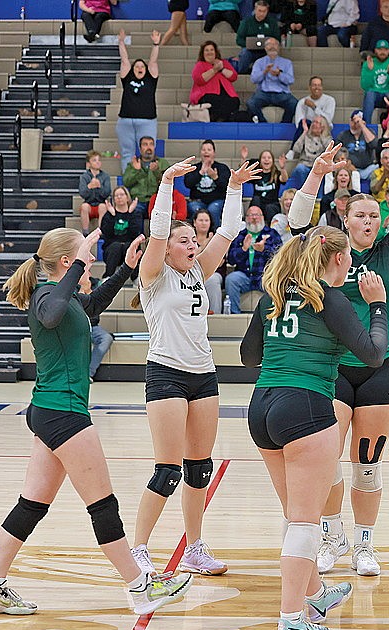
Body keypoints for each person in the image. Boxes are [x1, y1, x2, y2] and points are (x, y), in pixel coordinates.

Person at [0, 227, 191, 616]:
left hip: (51, 411)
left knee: (32, 504)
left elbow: (88, 307)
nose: (91, 260)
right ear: (66, 262)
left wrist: (126, 270)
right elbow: (55, 311)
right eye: (86, 255)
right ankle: (140, 587)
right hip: (64, 413)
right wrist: (79, 261)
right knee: (103, 505)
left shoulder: (67, 297)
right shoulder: (47, 296)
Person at [241, 163, 388, 630]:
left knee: (294, 514)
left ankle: (317, 594)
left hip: (262, 405)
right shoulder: (333, 298)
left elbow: (249, 356)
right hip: (306, 407)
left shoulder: (276, 294)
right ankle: (291, 623)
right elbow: (372, 355)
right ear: (340, 260)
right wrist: (380, 305)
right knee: (304, 523)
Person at [130, 158, 260, 577]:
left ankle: (194, 548)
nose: (191, 246)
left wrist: (235, 187)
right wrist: (167, 182)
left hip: (203, 376)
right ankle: (139, 550)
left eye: (192, 241)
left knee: (198, 469)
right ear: (167, 247)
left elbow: (227, 232)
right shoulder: (154, 275)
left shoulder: (198, 273)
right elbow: (159, 229)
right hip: (166, 373)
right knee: (166, 470)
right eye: (183, 240)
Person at [310, 125, 389, 578]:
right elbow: (300, 222)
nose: (369, 222)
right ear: (345, 218)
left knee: (367, 462)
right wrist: (317, 174)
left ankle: (363, 545)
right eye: (361, 216)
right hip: (335, 364)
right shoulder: (328, 250)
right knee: (325, 457)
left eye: (375, 217)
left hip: (382, 364)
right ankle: (330, 534)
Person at [227, 205, 282, 314]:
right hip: (245, 276)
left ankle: (273, 315)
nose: (254, 218)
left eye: (257, 215)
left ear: (262, 217)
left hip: (264, 276)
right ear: (246, 218)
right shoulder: (240, 235)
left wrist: (264, 249)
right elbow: (231, 259)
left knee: (275, 282)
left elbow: (280, 257)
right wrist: (243, 249)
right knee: (231, 279)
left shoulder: (272, 234)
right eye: (251, 215)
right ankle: (234, 314)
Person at [116, 29, 160, 167]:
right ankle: (127, 181)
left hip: (147, 121)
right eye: (137, 66)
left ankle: (147, 183)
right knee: (127, 152)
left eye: (142, 66)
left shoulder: (150, 79)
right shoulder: (127, 78)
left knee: (148, 153)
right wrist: (121, 42)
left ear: (146, 69)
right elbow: (124, 61)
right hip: (126, 121)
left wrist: (156, 44)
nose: (139, 68)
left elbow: (153, 62)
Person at [246, 38, 297, 124]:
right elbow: (253, 79)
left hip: (281, 93)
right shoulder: (259, 62)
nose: (272, 47)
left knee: (294, 103)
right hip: (263, 93)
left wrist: (279, 74)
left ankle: (284, 124)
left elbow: (291, 80)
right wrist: (264, 72)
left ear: (279, 47)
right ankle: (263, 124)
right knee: (251, 103)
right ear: (265, 48)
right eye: (269, 44)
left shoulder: (287, 63)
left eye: (275, 44)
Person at [190, 41, 239, 122]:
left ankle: (221, 119)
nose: (210, 52)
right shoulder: (200, 64)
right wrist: (214, 70)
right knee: (213, 100)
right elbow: (199, 79)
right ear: (203, 53)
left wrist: (222, 69)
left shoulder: (224, 63)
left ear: (216, 52)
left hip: (226, 94)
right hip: (206, 95)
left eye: (212, 50)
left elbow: (233, 77)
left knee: (234, 101)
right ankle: (219, 119)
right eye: (207, 50)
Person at [185, 140, 232, 226]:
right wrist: (200, 173)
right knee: (194, 208)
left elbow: (228, 187)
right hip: (197, 201)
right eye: (203, 149)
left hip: (217, 201)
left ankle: (214, 235)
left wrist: (215, 177)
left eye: (209, 149)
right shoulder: (194, 168)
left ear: (214, 153)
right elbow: (187, 184)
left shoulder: (222, 168)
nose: (206, 151)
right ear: (200, 153)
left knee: (213, 209)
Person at [101, 186, 145, 277]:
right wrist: (113, 216)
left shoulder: (135, 214)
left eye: (121, 195)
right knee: (115, 246)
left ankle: (136, 278)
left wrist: (129, 214)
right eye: (116, 196)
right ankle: (108, 277)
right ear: (113, 199)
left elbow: (135, 233)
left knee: (130, 246)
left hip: (129, 247)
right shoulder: (108, 215)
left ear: (127, 197)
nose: (119, 197)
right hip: (112, 250)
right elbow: (106, 234)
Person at [123, 136, 170, 220]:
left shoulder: (163, 163)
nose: (148, 147)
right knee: (135, 211)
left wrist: (156, 171)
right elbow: (126, 182)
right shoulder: (133, 164)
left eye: (151, 144)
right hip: (138, 200)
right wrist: (137, 171)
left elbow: (167, 183)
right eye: (145, 144)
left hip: (157, 200)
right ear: (140, 149)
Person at [361, 41, 389, 126]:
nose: (382, 52)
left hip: (387, 94)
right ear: (375, 50)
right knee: (369, 94)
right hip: (373, 95)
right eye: (380, 49)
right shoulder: (368, 63)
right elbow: (365, 86)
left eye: (385, 49)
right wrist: (370, 70)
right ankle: (366, 126)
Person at [233, 0, 280, 74]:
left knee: (273, 52)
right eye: (259, 11)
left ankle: (270, 71)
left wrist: (271, 44)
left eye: (264, 11)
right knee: (245, 53)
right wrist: (248, 45)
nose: (262, 13)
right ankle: (243, 71)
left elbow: (277, 39)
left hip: (266, 51)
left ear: (267, 11)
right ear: (255, 10)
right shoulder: (246, 22)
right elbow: (239, 39)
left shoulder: (272, 23)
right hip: (250, 51)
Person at [242, 146, 288, 221]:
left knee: (269, 208)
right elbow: (243, 177)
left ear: (272, 161)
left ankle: (271, 230)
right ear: (260, 160)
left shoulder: (276, 174)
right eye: (264, 157)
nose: (266, 159)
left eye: (269, 157)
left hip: (272, 205)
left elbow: (284, 179)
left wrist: (282, 168)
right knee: (256, 200)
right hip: (258, 204)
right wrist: (244, 159)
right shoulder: (256, 173)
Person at [192, 209, 224, 313]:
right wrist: (204, 245)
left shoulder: (216, 239)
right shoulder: (188, 239)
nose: (204, 223)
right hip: (191, 272)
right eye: (200, 220)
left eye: (206, 220)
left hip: (213, 273)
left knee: (212, 280)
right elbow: (190, 260)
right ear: (194, 222)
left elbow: (219, 263)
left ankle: (215, 314)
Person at [82, 277, 114, 382]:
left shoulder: (95, 283)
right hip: (73, 326)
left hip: (93, 326)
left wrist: (88, 291)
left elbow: (94, 314)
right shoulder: (68, 283)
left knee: (106, 338)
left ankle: (88, 373)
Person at [336, 110, 379, 180]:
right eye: (353, 121)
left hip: (369, 169)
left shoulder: (369, 132)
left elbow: (374, 144)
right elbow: (338, 154)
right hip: (349, 169)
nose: (355, 124)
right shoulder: (342, 135)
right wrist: (348, 165)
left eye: (358, 122)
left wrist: (362, 126)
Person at [289, 115, 332, 182]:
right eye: (313, 122)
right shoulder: (306, 136)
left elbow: (329, 153)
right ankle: (305, 191)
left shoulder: (327, 138)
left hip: (319, 166)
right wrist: (305, 132)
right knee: (300, 169)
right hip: (305, 164)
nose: (314, 124)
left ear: (323, 126)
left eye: (317, 122)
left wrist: (321, 136)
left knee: (324, 173)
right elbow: (296, 149)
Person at [294, 76, 336, 142]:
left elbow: (328, 119)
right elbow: (298, 122)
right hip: (307, 130)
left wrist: (314, 107)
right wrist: (311, 129)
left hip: (323, 129)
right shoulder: (302, 102)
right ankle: (293, 151)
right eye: (314, 85)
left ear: (322, 87)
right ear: (309, 88)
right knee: (303, 124)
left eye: (319, 85)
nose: (317, 87)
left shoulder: (330, 100)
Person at [78, 150, 111, 234]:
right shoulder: (84, 177)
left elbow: (107, 193)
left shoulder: (105, 176)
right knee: (84, 206)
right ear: (88, 164)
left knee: (103, 207)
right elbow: (82, 193)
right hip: (89, 204)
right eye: (94, 160)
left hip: (100, 204)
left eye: (99, 160)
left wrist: (100, 187)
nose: (97, 162)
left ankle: (100, 231)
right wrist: (89, 187)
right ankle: (85, 232)